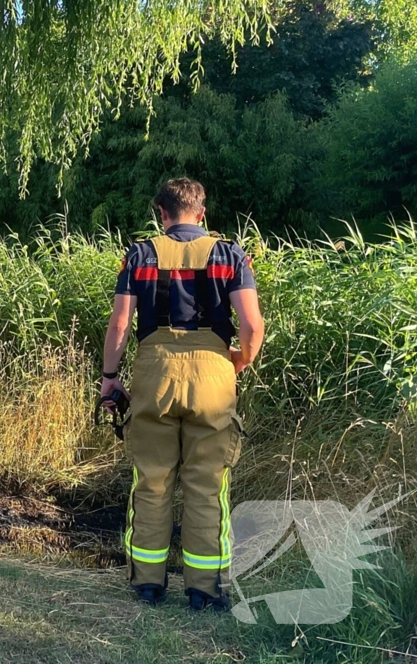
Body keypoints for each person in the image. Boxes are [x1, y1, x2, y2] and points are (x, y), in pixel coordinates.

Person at [101, 177, 264, 611]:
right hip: (213, 374)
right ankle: (204, 591)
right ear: (202, 213)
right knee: (207, 485)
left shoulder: (140, 255)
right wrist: (239, 360)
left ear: (162, 213)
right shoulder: (230, 255)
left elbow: (120, 324)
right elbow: (252, 326)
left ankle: (148, 584)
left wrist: (110, 377)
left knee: (152, 481)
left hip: (154, 374)